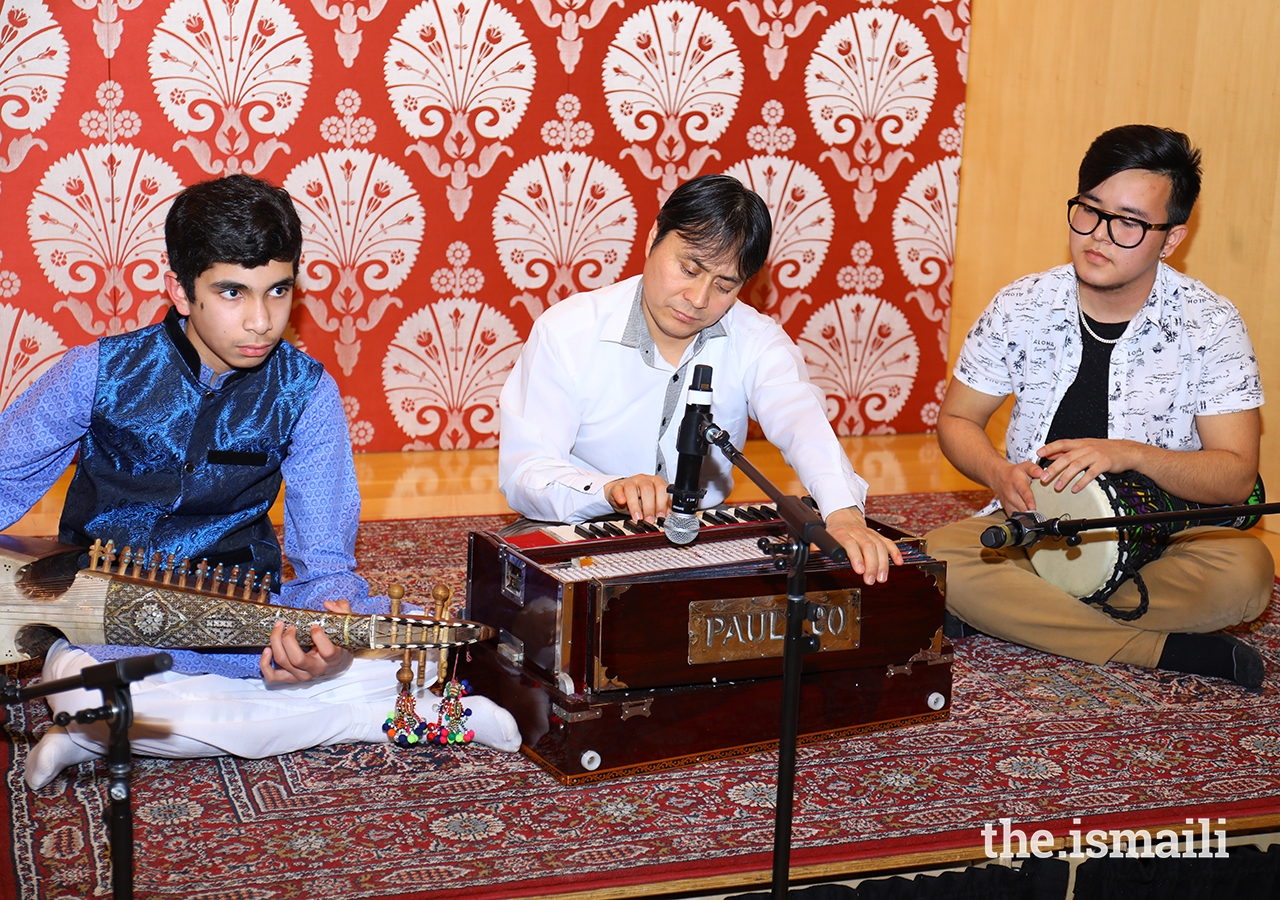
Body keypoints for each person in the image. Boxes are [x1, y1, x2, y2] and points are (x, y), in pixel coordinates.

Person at [2, 175, 519, 791]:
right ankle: (389, 717)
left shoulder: (305, 392)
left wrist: (323, 639)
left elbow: (325, 558)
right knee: (86, 681)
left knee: (418, 641)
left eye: (278, 291)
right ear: (180, 291)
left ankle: (100, 734)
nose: (261, 320)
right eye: (231, 292)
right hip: (107, 624)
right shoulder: (98, 373)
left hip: (247, 618)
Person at [927, 125, 1272, 688]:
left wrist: (1131, 455)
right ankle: (1153, 650)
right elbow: (957, 418)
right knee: (942, 556)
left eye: (1130, 223)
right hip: (1036, 530)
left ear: (1172, 237)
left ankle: (1015, 616)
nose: (1100, 236)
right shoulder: (1022, 305)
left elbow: (1234, 478)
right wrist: (997, 472)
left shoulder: (1210, 324)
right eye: (1089, 210)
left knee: (1248, 571)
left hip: (1163, 534)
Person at [498, 173, 903, 583]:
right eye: (689, 269)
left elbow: (803, 423)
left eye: (724, 285)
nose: (699, 299)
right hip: (577, 531)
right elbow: (525, 473)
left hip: (700, 533)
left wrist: (844, 514)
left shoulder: (756, 338)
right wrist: (609, 488)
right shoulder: (567, 331)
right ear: (654, 236)